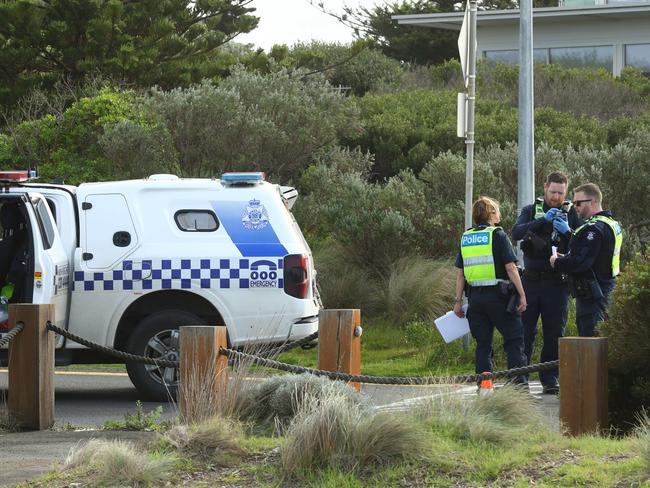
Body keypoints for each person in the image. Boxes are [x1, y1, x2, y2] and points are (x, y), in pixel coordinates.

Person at [512, 172, 581, 395]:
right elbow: (516, 233)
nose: (556, 197)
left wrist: (568, 232)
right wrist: (544, 220)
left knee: (554, 333)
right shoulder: (531, 210)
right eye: (553, 192)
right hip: (531, 281)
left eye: (561, 193)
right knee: (524, 331)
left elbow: (580, 243)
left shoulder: (571, 213)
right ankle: (519, 378)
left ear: (566, 192)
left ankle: (550, 378)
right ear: (545, 188)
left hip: (557, 283)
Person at [453, 196, 528, 386]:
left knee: (483, 345)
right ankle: (518, 389)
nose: (499, 214)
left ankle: (484, 389)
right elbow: (511, 268)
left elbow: (460, 275)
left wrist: (457, 301)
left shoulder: (466, 237)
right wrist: (522, 294)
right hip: (499, 297)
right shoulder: (498, 235)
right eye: (497, 210)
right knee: (514, 340)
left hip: (475, 300)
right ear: (491, 214)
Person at [550, 183, 622, 337]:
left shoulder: (593, 228)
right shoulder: (611, 224)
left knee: (590, 342)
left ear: (593, 202)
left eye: (578, 203)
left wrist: (557, 262)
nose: (574, 207)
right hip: (607, 288)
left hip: (592, 294)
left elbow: (581, 262)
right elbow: (595, 256)